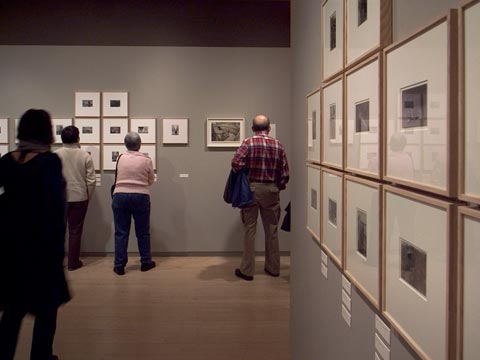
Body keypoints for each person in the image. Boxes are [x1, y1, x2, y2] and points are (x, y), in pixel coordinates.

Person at [0, 109, 70, 360]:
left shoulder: (7, 160)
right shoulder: (49, 162)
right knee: (46, 311)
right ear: (47, 132)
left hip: (11, 248)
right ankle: (41, 356)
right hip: (41, 248)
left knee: (11, 311)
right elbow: (54, 208)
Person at [231, 114, 289, 281]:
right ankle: (273, 268)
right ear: (269, 128)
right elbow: (285, 174)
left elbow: (236, 163)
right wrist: (277, 186)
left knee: (250, 229)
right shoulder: (278, 145)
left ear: (253, 128)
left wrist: (246, 171)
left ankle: (247, 271)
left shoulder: (248, 143)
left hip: (251, 189)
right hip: (271, 189)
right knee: (272, 230)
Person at [112, 132, 156, 275]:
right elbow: (150, 180)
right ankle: (145, 262)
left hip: (120, 195)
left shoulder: (120, 158)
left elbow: (117, 175)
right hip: (141, 196)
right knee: (143, 232)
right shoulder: (146, 160)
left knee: (121, 232)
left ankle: (119, 265)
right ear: (139, 144)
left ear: (126, 144)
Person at [55, 125, 96, 271]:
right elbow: (91, 180)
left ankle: (56, 262)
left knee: (58, 231)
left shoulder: (56, 155)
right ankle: (73, 263)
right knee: (75, 231)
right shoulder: (85, 155)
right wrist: (87, 197)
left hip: (60, 198)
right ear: (78, 138)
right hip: (79, 197)